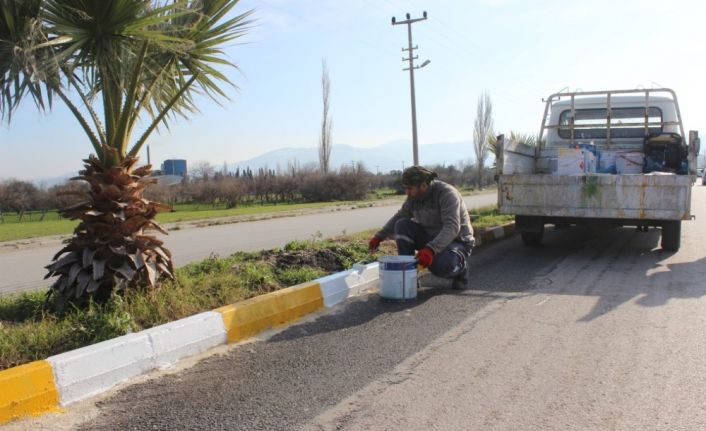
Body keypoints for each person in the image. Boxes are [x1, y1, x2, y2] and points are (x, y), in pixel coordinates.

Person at [368, 166, 475, 289]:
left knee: (442, 266)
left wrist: (430, 250)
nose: (407, 193)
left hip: (457, 242)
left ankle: (461, 271)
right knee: (402, 225)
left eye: (410, 188)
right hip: (430, 238)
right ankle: (409, 277)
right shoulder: (414, 198)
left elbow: (452, 228)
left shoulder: (447, 194)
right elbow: (400, 216)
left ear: (423, 185)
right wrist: (379, 237)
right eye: (405, 188)